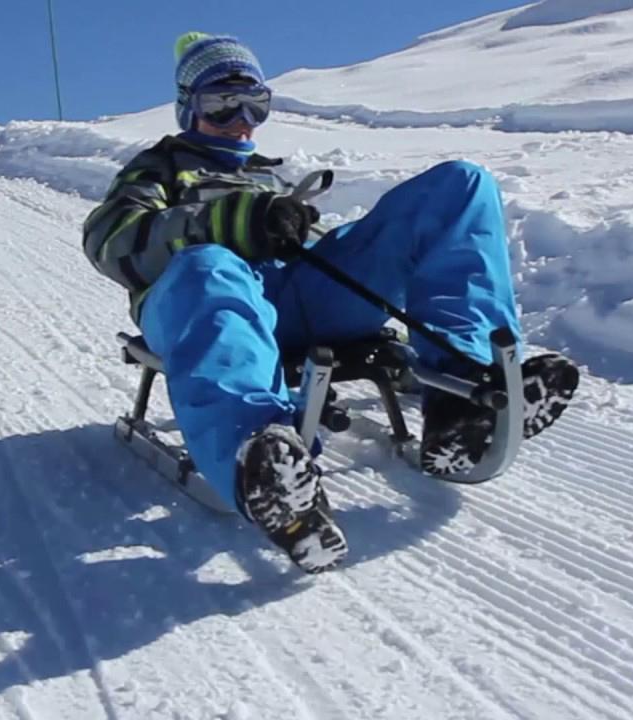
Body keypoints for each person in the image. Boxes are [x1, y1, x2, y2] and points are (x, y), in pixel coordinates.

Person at [82, 33, 578, 574]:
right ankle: (262, 464)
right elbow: (112, 241)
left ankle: (460, 405)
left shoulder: (271, 174)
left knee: (461, 185)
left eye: (255, 104)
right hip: (206, 303)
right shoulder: (158, 168)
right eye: (221, 104)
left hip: (299, 301)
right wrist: (225, 225)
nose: (241, 119)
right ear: (188, 107)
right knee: (210, 265)